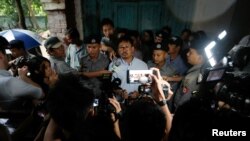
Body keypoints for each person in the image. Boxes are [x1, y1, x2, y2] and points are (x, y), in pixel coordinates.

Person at [0, 36, 43, 109]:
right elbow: (40, 93)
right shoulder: (10, 80)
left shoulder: (34, 60)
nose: (12, 54)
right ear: (1, 56)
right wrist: (22, 76)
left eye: (14, 51)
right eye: (10, 52)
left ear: (22, 49)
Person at [173, 37, 208, 110]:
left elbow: (183, 102)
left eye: (191, 52)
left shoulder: (190, 79)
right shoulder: (204, 69)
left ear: (200, 58)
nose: (187, 54)